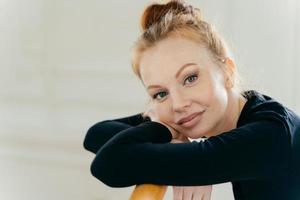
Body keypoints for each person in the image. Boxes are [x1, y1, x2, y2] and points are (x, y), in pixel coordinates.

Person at [83, 1, 300, 199]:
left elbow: (109, 164)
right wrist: (170, 138)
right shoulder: (245, 109)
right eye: (160, 94)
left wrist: (187, 160)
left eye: (190, 78)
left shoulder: (269, 135)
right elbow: (96, 134)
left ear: (227, 72)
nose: (178, 105)